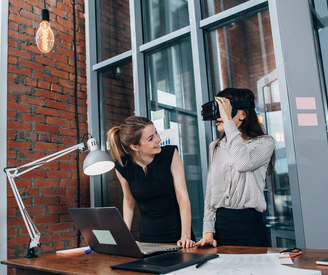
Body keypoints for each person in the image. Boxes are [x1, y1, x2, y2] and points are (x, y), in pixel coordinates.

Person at [196, 88, 275, 248]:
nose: (219, 116)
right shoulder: (215, 146)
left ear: (243, 114)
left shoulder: (264, 142)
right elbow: (211, 190)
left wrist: (228, 122)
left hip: (249, 225)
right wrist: (207, 231)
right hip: (221, 226)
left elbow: (243, 164)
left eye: (225, 110)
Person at [107, 116, 195, 248]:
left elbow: (182, 197)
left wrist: (185, 236)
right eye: (151, 138)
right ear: (135, 147)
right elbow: (129, 201)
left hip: (178, 233)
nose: (158, 139)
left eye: (156, 133)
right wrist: (124, 235)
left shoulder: (170, 154)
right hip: (148, 236)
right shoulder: (122, 167)